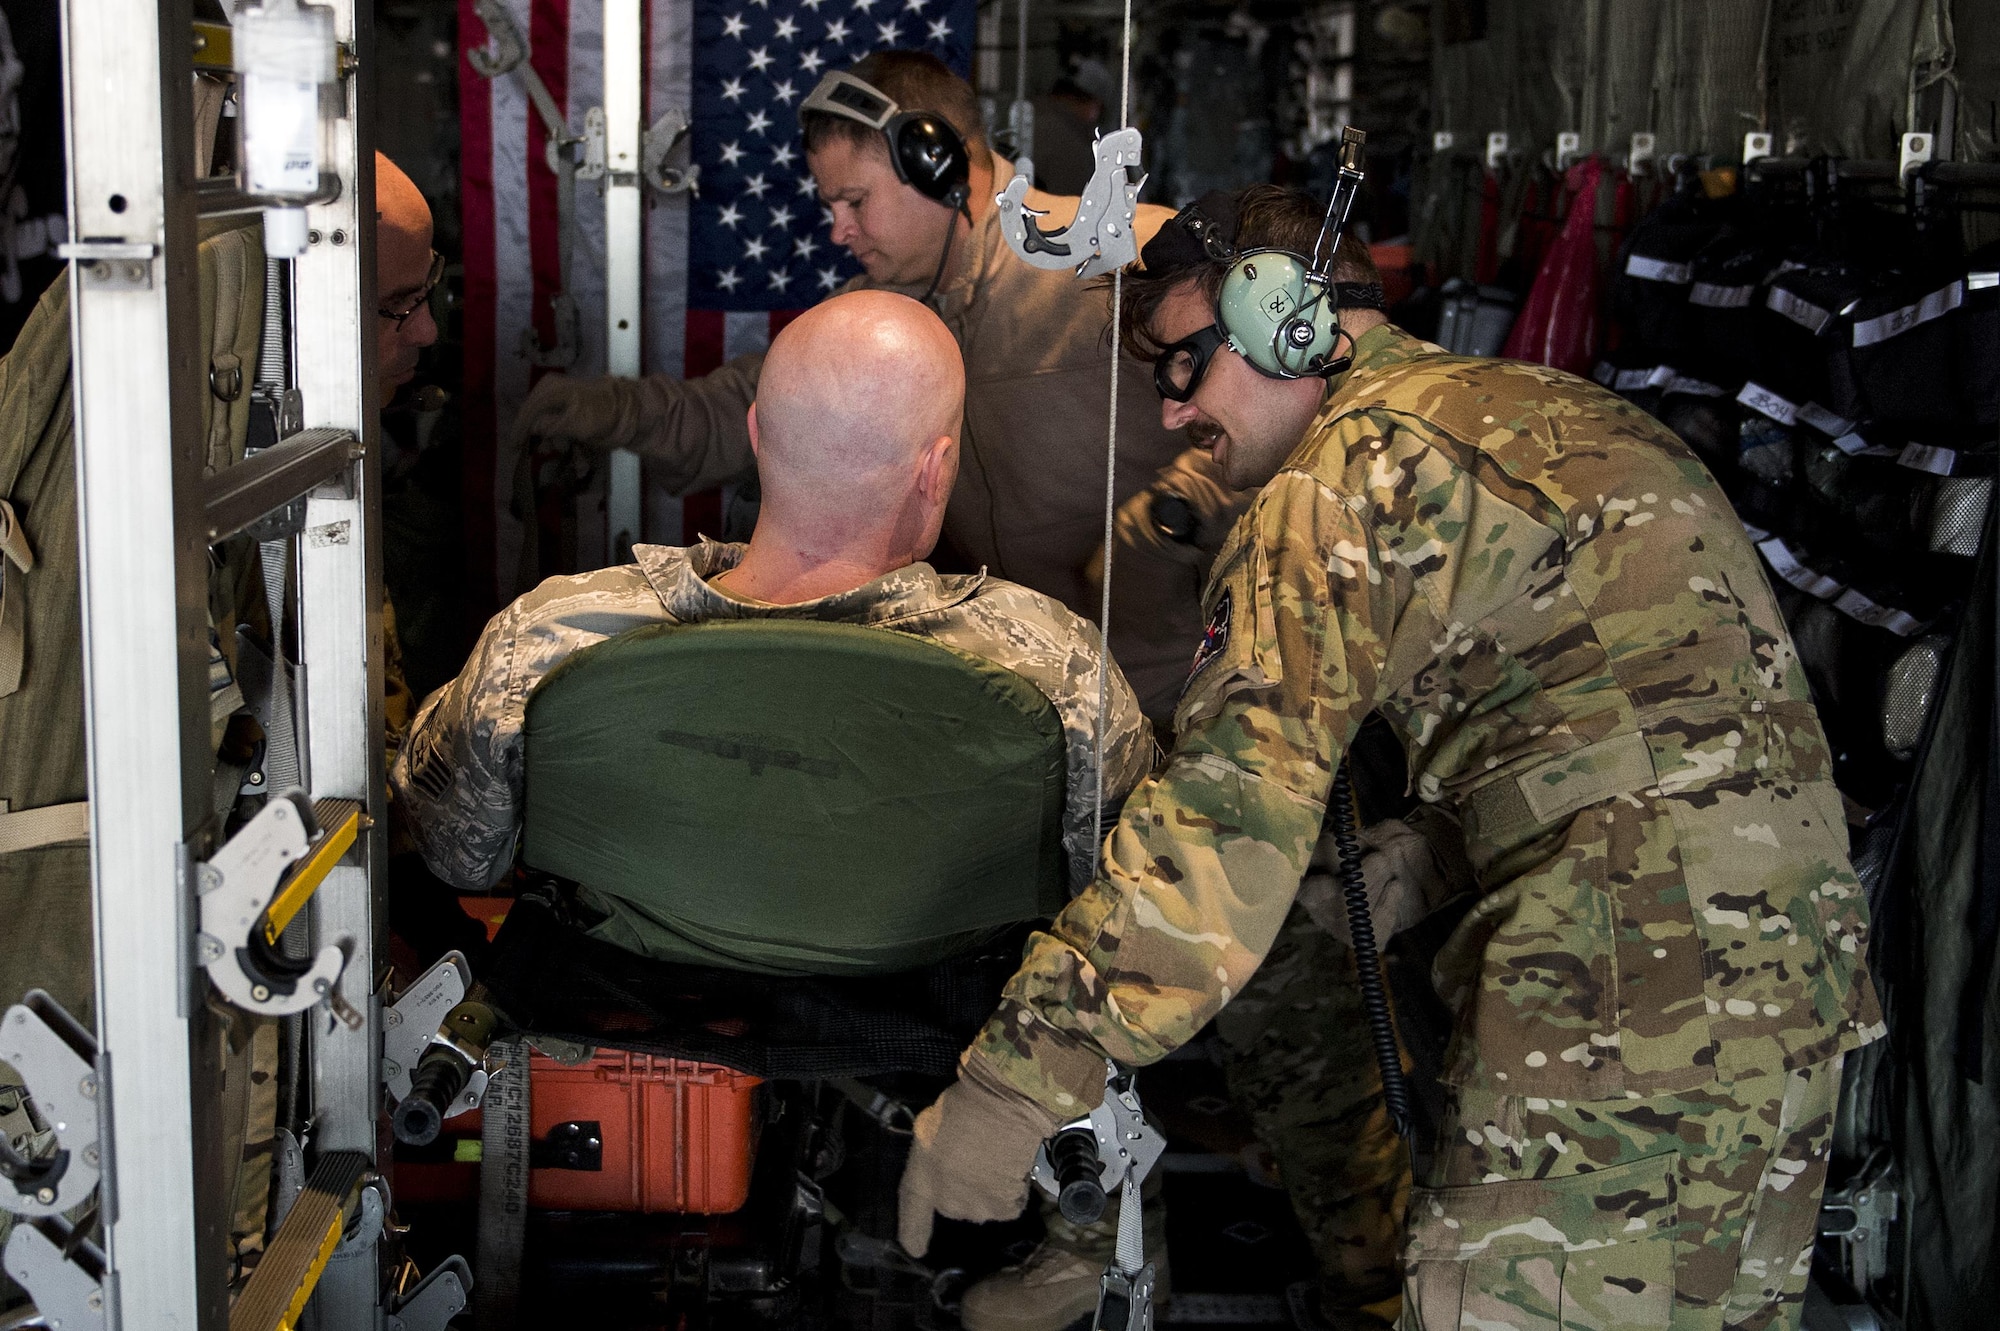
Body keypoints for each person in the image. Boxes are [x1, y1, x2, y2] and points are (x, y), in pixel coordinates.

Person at [896, 185, 1884, 1331]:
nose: (1169, 414)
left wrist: (1016, 1078)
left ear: (1284, 319)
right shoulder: (1547, 410)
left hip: (1628, 986)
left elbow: (1222, 827)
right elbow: (1658, 723)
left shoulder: (1335, 480)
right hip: (1787, 961)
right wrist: (1419, 853)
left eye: (1177, 364)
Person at [506, 50, 1249, 722]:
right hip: (1035, 702)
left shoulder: (1114, 262)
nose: (838, 230)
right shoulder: (887, 315)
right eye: (831, 206)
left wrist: (1172, 520)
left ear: (940, 166)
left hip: (1171, 701)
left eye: (855, 201)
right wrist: (600, 410)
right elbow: (746, 410)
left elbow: (1304, 390)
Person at [392, 289, 1150, 903]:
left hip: (632, 1043)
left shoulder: (547, 640)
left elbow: (458, 853)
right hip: (940, 1069)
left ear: (755, 433)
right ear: (936, 469)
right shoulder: (1060, 672)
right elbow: (1131, 895)